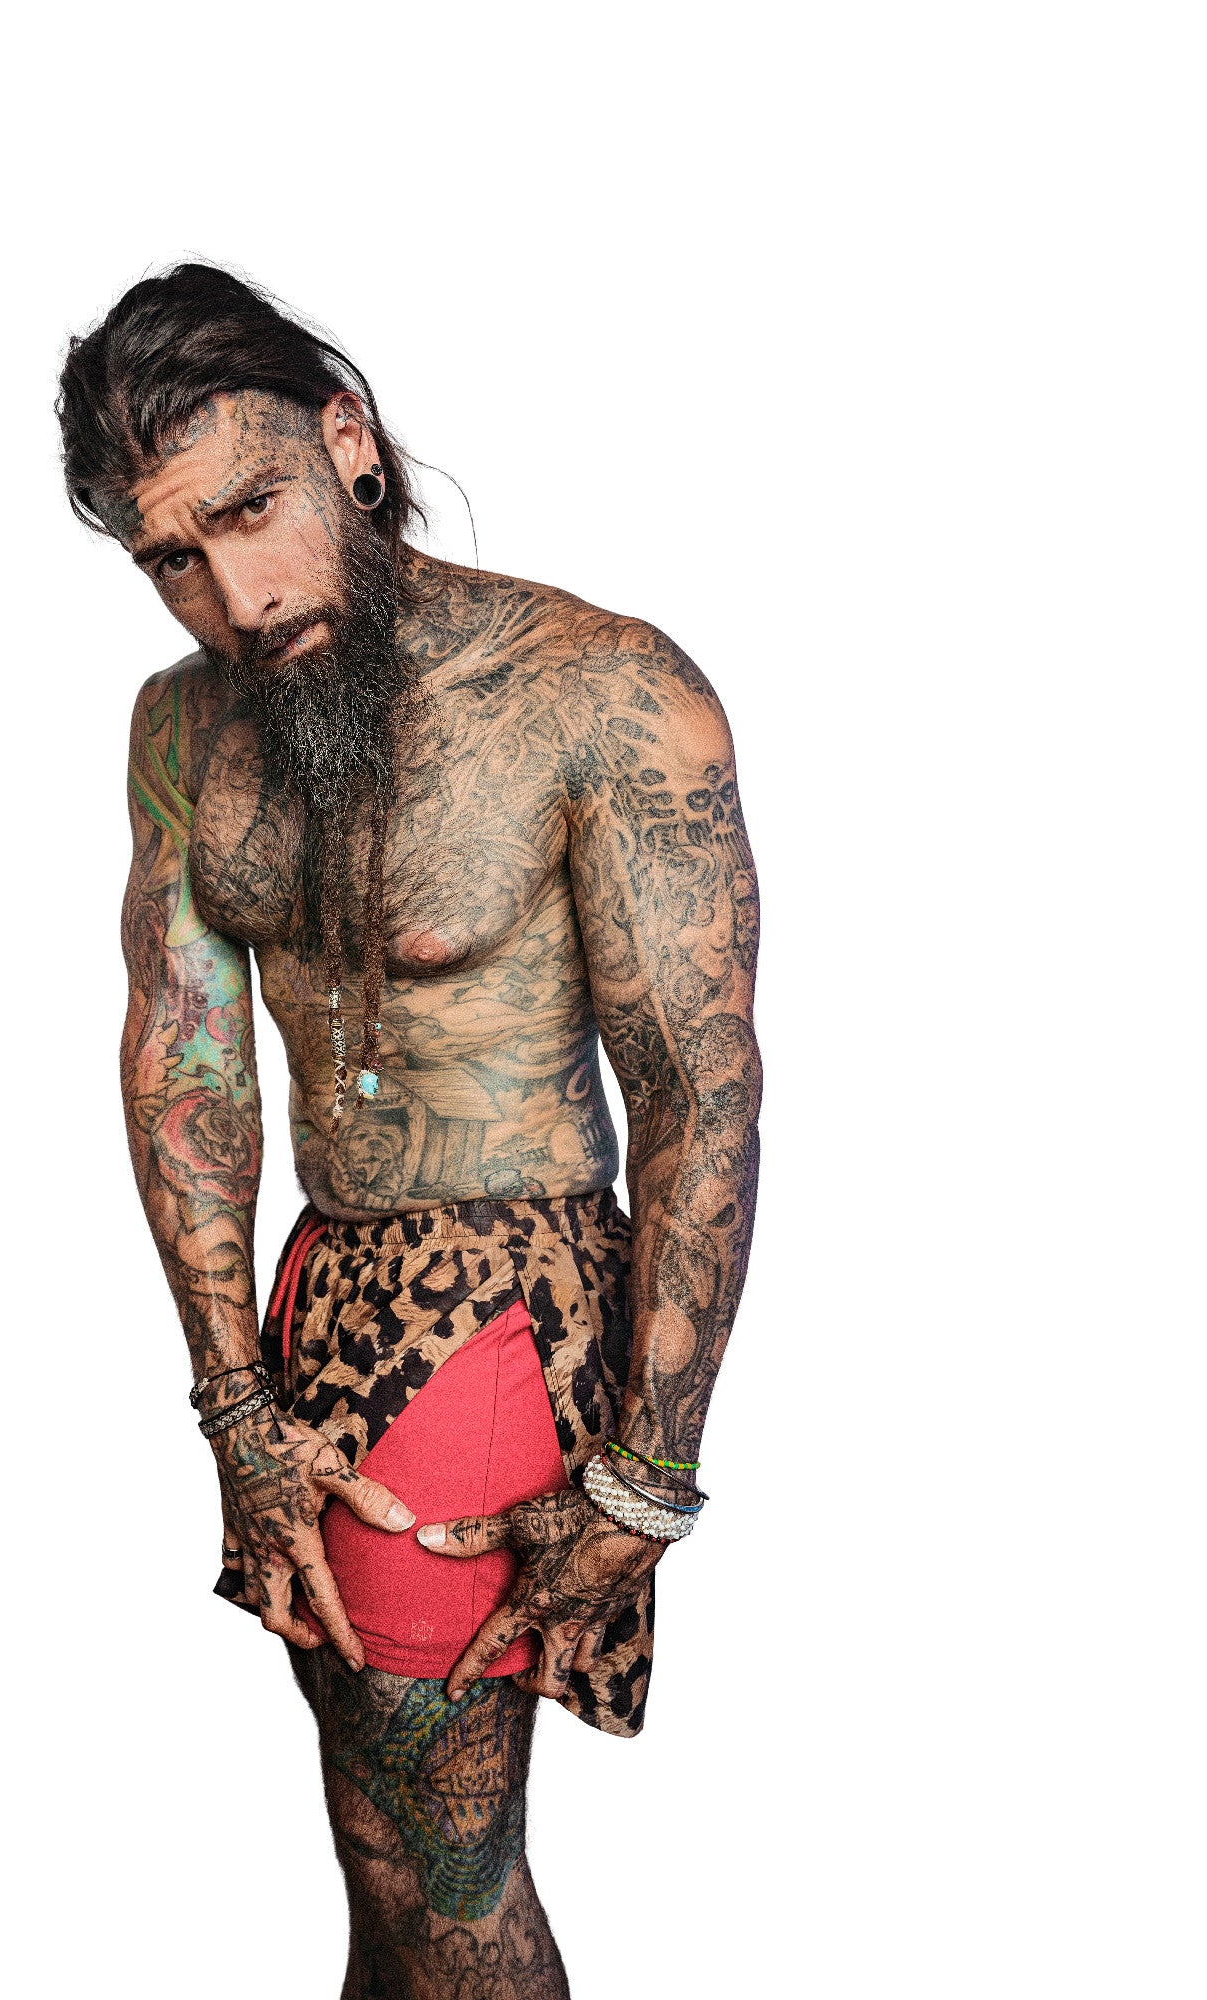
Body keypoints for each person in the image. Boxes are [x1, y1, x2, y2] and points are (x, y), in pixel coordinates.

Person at [57, 263, 762, 1999]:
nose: (234, 595)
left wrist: (650, 1474)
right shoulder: (182, 725)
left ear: (348, 443)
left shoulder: (599, 688)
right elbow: (186, 1068)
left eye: (250, 510)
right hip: (314, 1318)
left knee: (441, 1881)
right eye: (171, 558)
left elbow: (700, 1088)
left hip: (499, 1320)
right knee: (382, 1870)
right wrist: (234, 1402)